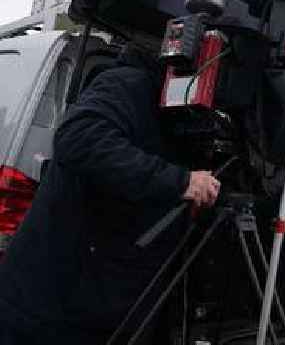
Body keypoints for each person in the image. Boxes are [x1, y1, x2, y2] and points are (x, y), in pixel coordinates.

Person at [0, 43, 221, 344]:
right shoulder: (127, 83)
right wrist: (179, 182)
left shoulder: (177, 117)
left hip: (113, 302)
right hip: (52, 308)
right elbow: (78, 136)